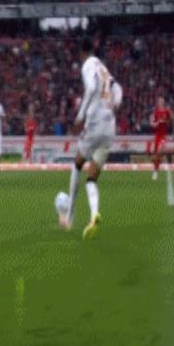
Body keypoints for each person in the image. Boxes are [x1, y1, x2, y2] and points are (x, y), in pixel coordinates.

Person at [63, 37, 122, 239]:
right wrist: (116, 104)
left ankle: (69, 218)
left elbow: (90, 88)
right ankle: (94, 213)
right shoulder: (103, 68)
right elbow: (118, 88)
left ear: (81, 53)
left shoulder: (88, 65)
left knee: (77, 164)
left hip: (94, 123)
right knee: (91, 178)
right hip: (110, 127)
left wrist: (80, 117)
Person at [150, 97, 172, 180]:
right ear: (158, 103)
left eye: (162, 101)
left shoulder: (167, 111)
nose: (161, 103)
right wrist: (156, 123)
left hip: (163, 136)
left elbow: (170, 120)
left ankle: (156, 169)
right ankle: (155, 170)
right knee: (156, 155)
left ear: (164, 102)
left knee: (159, 151)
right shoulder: (155, 112)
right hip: (157, 136)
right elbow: (152, 124)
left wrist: (165, 121)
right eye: (159, 101)